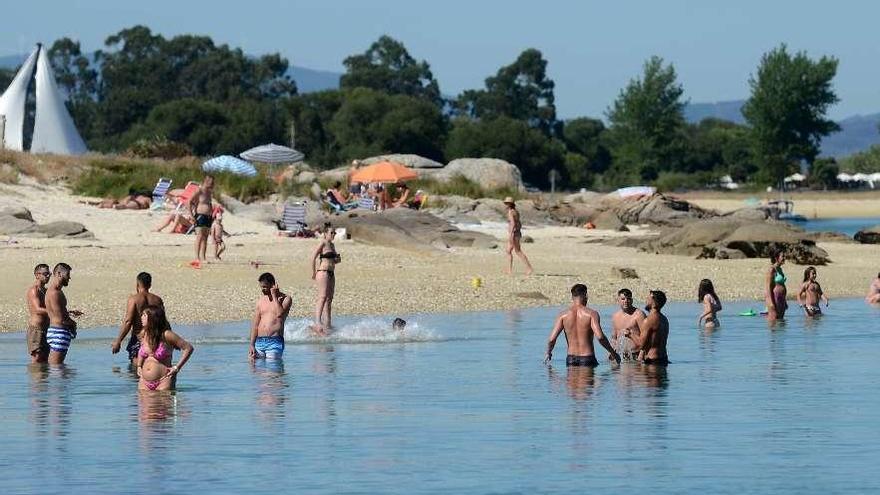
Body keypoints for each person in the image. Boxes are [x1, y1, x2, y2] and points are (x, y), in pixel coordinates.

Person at [544, 284, 621, 367]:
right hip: (587, 358)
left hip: (571, 359)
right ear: (585, 295)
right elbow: (600, 337)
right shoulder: (592, 314)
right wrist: (613, 353)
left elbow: (552, 339)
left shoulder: (563, 315)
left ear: (572, 297)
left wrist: (548, 352)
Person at [111, 272, 168, 364]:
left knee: (137, 368)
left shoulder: (134, 299)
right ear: (150, 284)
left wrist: (118, 341)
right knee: (155, 363)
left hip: (139, 338)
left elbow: (128, 321)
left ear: (137, 284)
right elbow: (163, 321)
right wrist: (169, 340)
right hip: (155, 338)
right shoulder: (157, 300)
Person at [136, 305, 193, 391]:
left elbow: (188, 348)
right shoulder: (144, 333)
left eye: (144, 315)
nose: (141, 317)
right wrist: (139, 365)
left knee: (163, 404)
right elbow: (141, 350)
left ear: (153, 318)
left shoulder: (167, 335)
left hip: (164, 380)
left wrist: (177, 368)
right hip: (144, 382)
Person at [45, 263, 82, 365]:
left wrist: (68, 312)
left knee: (56, 369)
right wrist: (73, 324)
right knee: (56, 368)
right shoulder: (55, 293)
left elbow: (57, 312)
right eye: (68, 275)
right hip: (59, 332)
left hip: (55, 330)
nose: (69, 278)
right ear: (59, 274)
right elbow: (61, 319)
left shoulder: (51, 291)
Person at [249, 273, 292, 361]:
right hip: (259, 342)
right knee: (256, 370)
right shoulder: (261, 301)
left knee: (273, 372)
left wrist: (275, 297)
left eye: (265, 287)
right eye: (261, 287)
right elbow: (255, 325)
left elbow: (279, 314)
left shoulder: (285, 299)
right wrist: (252, 344)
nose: (262, 289)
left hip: (274, 341)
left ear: (273, 285)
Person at [625, 290, 670, 366]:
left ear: (653, 302)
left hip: (653, 361)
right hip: (663, 359)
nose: (645, 300)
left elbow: (641, 345)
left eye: (648, 299)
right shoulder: (664, 319)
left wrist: (630, 334)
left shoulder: (648, 320)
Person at [311, 223, 340, 334]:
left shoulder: (332, 245)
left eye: (334, 233)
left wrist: (337, 259)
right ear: (325, 233)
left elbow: (335, 261)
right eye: (331, 232)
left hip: (331, 273)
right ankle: (318, 322)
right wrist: (313, 272)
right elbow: (313, 257)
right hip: (323, 272)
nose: (333, 234)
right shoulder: (323, 243)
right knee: (322, 297)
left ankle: (327, 323)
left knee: (329, 299)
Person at [25, 264, 51, 363]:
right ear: (37, 275)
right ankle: (35, 377)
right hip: (36, 330)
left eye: (49, 274)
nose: (48, 276)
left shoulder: (46, 291)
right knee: (36, 359)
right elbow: (37, 309)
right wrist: (55, 312)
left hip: (46, 329)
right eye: (45, 274)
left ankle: (44, 379)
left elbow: (53, 308)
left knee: (45, 360)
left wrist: (66, 312)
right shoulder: (34, 290)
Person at [610, 288, 646, 360]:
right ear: (618, 300)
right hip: (621, 355)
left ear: (632, 300)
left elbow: (646, 337)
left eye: (628, 299)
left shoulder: (639, 315)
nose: (626, 301)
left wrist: (641, 356)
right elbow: (614, 338)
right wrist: (611, 353)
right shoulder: (615, 316)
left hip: (636, 355)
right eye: (623, 299)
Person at [189, 174, 215, 267]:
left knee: (205, 237)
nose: (213, 184)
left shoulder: (209, 192)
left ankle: (203, 257)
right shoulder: (199, 190)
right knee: (199, 236)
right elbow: (189, 201)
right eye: (211, 183)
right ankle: (197, 257)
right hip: (200, 215)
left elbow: (210, 203)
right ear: (206, 181)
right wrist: (191, 215)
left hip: (208, 216)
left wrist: (212, 215)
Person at [503, 197, 533, 275]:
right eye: (505, 203)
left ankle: (529, 268)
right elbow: (519, 223)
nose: (506, 204)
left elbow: (512, 223)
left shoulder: (510, 212)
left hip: (514, 234)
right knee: (508, 251)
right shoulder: (516, 211)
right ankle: (509, 270)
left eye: (507, 203)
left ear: (510, 204)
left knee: (518, 251)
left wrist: (511, 234)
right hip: (517, 232)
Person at [765, 248, 788, 320]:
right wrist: (771, 303)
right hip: (774, 299)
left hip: (781, 299)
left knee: (781, 322)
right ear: (776, 258)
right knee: (774, 321)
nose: (784, 258)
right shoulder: (772, 269)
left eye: (784, 256)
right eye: (782, 256)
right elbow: (768, 287)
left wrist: (785, 301)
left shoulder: (780, 269)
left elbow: (782, 285)